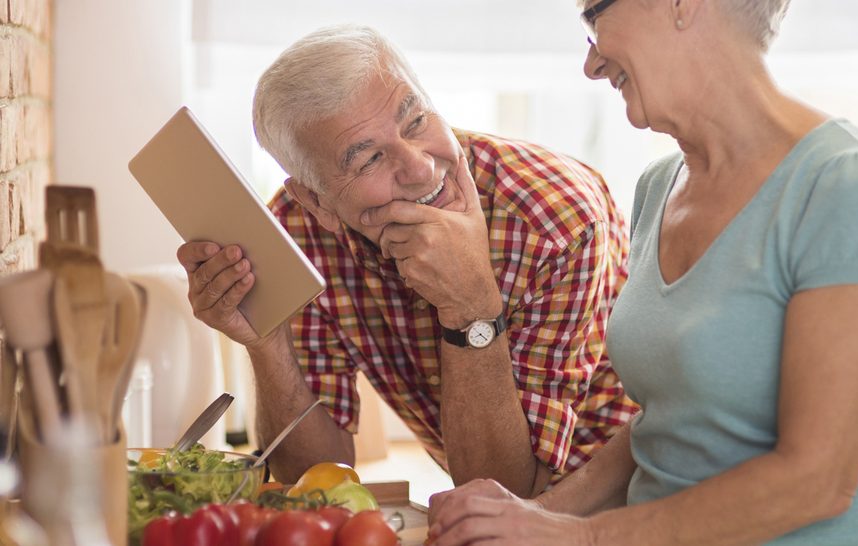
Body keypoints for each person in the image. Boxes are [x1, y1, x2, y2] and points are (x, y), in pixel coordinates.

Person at [427, 0, 858, 544]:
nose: (591, 65)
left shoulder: (844, 185)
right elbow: (667, 425)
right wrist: (537, 515)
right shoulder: (658, 186)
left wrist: (581, 539)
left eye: (595, 16)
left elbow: (816, 481)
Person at [177, 24, 635, 497]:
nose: (420, 168)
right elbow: (314, 480)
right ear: (316, 202)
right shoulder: (298, 231)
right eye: (369, 159)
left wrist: (471, 304)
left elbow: (510, 491)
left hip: (631, 497)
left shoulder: (557, 222)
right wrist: (267, 341)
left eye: (415, 121)